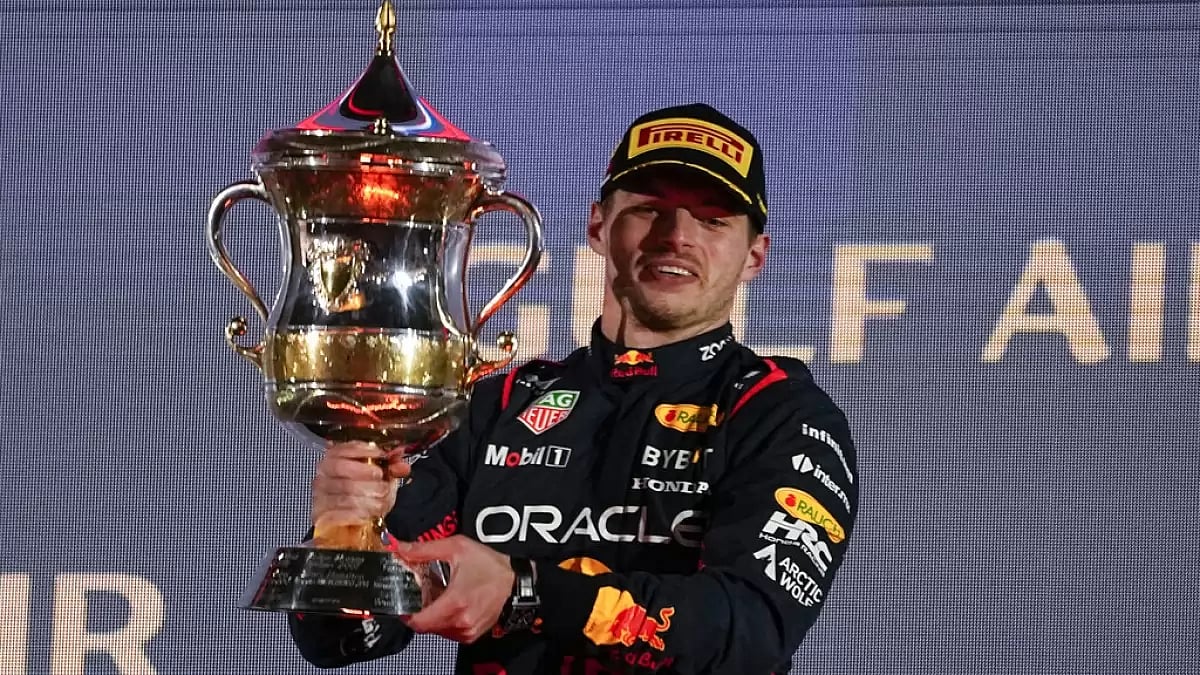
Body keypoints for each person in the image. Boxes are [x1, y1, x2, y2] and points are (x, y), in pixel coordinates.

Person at [288, 103, 859, 675]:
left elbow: (749, 632)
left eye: (712, 220)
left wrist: (522, 592)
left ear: (754, 256)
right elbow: (342, 638)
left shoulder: (781, 415)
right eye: (649, 208)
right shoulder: (499, 403)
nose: (676, 236)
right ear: (598, 226)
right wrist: (348, 533)